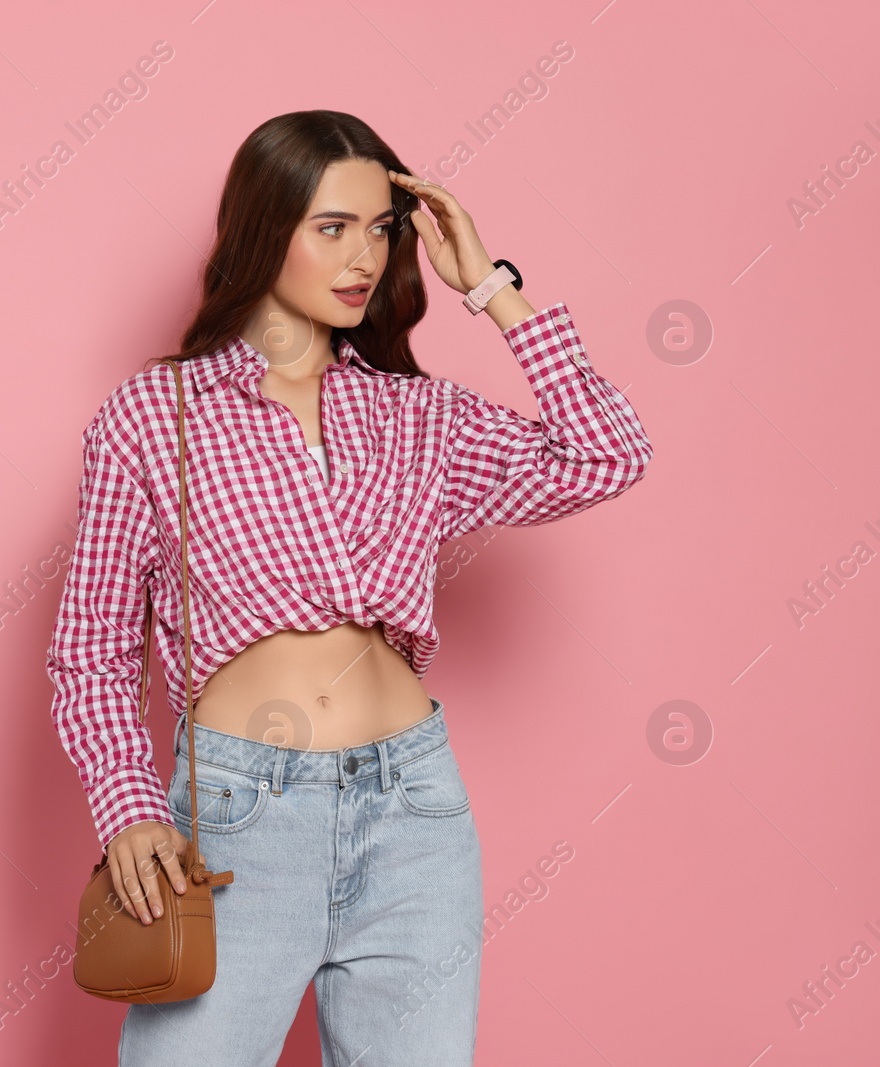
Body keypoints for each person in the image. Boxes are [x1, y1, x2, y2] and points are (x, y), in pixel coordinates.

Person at [45, 110, 652, 1066]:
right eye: (333, 227)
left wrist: (490, 288)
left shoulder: (419, 415)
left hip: (415, 813)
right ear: (262, 229)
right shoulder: (153, 416)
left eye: (380, 228)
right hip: (238, 814)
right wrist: (129, 806)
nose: (363, 254)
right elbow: (93, 649)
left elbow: (607, 456)